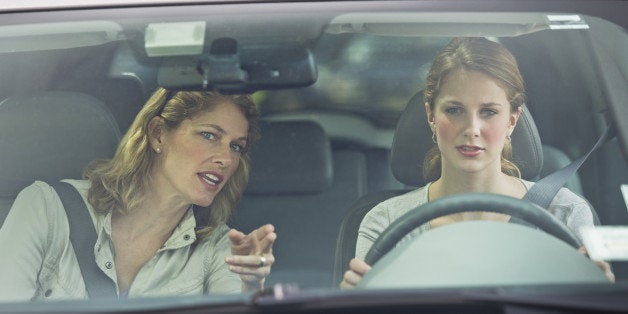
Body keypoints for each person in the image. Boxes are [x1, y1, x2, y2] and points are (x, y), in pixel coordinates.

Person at [340, 37, 614, 289]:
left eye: (489, 112)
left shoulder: (564, 212)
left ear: (512, 120)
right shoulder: (386, 220)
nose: (472, 128)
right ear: (431, 116)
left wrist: (599, 297)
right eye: (454, 110)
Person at [0, 88, 276, 301]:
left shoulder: (219, 248)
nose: (226, 159)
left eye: (236, 147)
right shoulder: (46, 207)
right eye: (208, 135)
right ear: (157, 135)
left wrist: (250, 286)